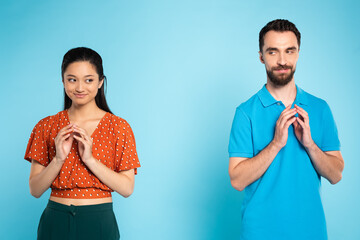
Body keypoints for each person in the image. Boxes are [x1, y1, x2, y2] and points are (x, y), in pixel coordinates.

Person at [228, 19, 344, 240]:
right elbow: (237, 180)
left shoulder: (320, 109)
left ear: (298, 53)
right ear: (261, 56)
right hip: (259, 234)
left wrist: (309, 144)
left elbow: (336, 174)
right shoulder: (245, 113)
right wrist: (276, 144)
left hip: (311, 232)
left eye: (289, 51)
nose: (282, 60)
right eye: (273, 52)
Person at [24, 47, 140, 240]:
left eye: (88, 80)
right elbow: (35, 190)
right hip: (55, 220)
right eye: (72, 79)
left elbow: (127, 188)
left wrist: (90, 160)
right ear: (62, 81)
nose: (79, 88)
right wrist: (58, 159)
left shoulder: (118, 127)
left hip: (99, 221)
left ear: (100, 82)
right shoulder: (46, 126)